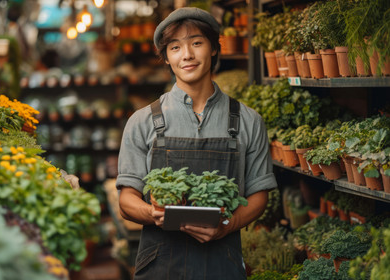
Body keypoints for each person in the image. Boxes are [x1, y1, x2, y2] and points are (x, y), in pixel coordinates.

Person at [116, 7, 277, 279]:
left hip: (222, 262)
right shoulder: (142, 121)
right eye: (175, 47)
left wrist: (228, 224)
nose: (187, 55)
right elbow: (126, 199)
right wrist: (153, 213)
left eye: (197, 43)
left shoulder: (248, 121)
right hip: (160, 266)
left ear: (214, 48)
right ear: (166, 58)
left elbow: (259, 194)